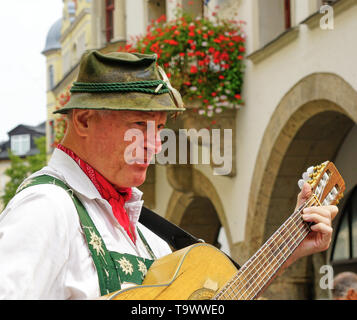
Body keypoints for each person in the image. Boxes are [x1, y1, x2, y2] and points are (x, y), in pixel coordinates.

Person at [0, 50, 338, 299]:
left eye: (159, 129)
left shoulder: (148, 235)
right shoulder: (46, 206)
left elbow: (220, 298)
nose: (154, 145)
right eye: (138, 126)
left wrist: (289, 248)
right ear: (84, 120)